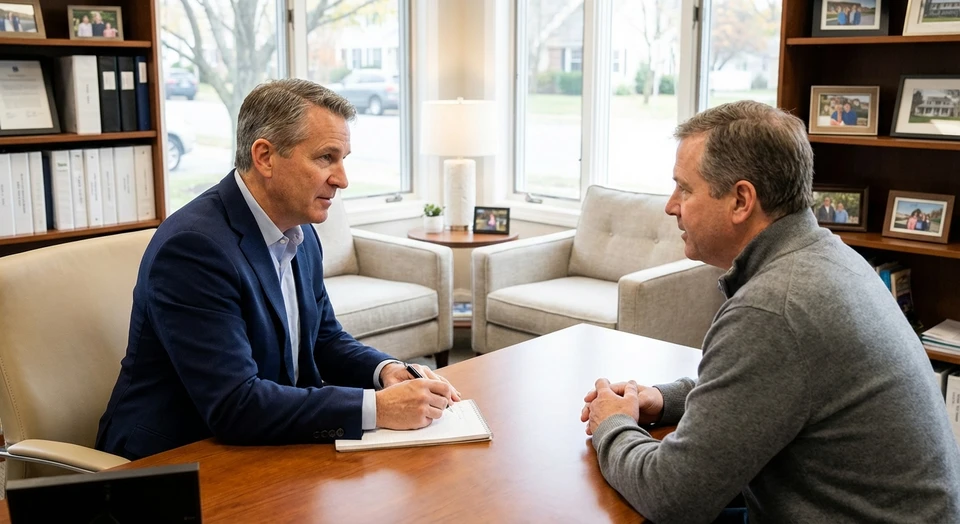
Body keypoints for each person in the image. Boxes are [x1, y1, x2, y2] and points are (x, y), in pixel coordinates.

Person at [580, 100, 960, 522]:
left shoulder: (774, 308)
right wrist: (662, 399)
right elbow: (770, 388)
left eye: (685, 189)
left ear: (741, 200)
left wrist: (612, 425)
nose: (672, 206)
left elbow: (672, 497)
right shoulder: (828, 256)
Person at [96, 79, 461, 460]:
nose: (342, 179)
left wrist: (384, 371)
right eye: (325, 158)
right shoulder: (194, 249)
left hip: (263, 441)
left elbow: (324, 339)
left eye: (343, 159)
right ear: (265, 157)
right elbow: (235, 404)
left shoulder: (299, 232)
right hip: (174, 460)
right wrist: (378, 408)